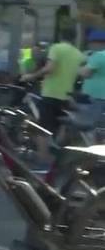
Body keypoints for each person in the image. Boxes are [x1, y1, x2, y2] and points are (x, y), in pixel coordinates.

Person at [21, 28, 85, 158]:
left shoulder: (57, 48)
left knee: (42, 128)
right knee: (59, 126)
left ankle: (42, 157)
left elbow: (49, 68)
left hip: (51, 93)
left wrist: (31, 76)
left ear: (61, 36)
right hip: (66, 95)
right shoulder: (78, 54)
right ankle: (56, 156)